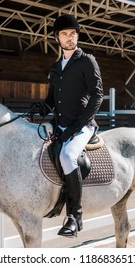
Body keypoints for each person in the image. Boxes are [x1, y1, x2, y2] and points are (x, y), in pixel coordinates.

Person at [41, 14, 103, 237]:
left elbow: (98, 96)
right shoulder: (56, 67)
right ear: (57, 37)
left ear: (77, 36)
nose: (69, 38)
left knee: (68, 155)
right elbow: (51, 100)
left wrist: (77, 126)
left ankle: (74, 217)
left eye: (73, 33)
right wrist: (40, 108)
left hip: (83, 125)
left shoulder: (87, 60)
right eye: (64, 34)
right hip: (59, 124)